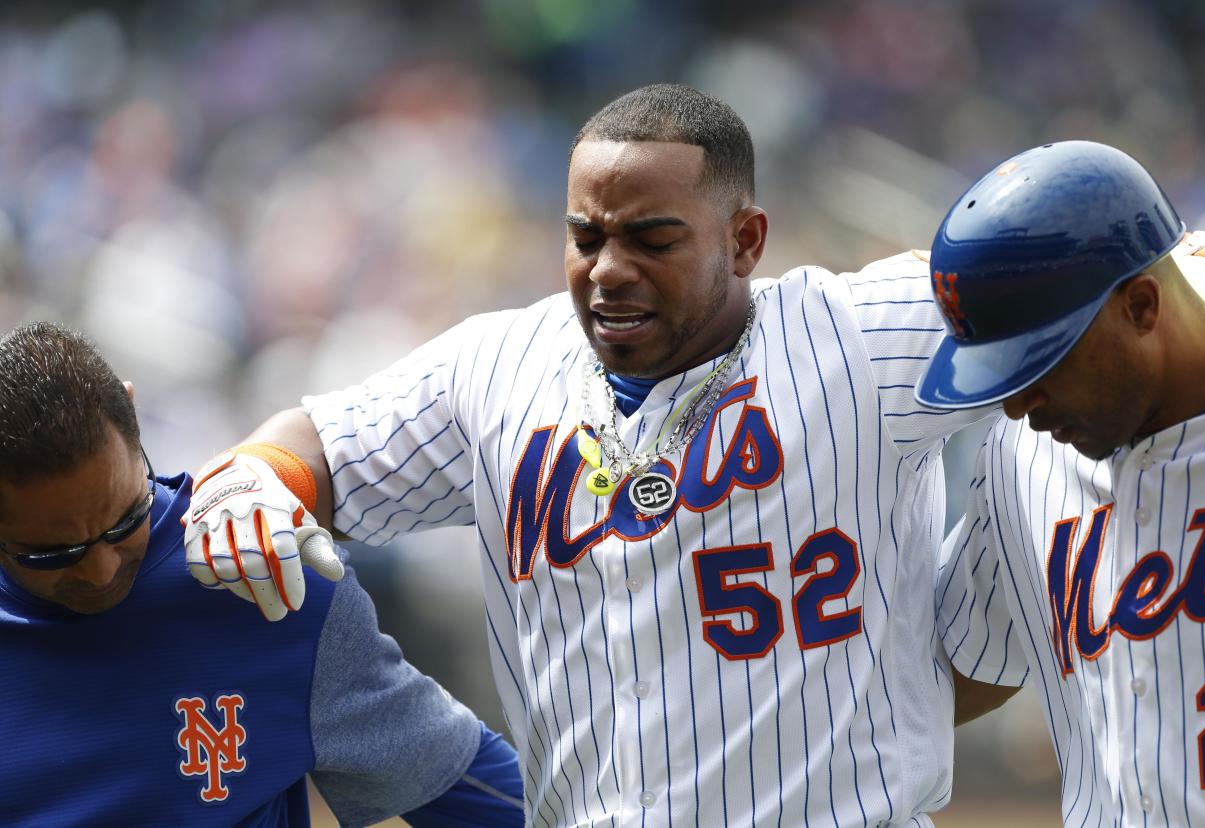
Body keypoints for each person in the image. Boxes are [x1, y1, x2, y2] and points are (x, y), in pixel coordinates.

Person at [182, 83, 999, 826]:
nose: (609, 270)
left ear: (745, 241)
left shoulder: (859, 333)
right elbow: (316, 445)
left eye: (652, 239)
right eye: (586, 237)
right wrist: (255, 481)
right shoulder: (497, 365)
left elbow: (1073, 284)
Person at [0, 322, 524, 827]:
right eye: (52, 553)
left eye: (124, 522)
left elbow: (486, 796)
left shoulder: (260, 579)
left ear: (134, 416)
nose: (100, 570)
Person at [919, 140, 1205, 825]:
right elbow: (944, 673)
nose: (1015, 405)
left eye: (1044, 361)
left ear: (1143, 307)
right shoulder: (1021, 457)